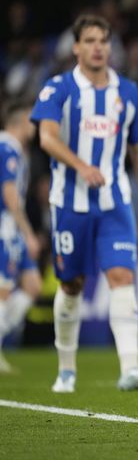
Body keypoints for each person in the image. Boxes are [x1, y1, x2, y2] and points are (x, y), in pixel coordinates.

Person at [31, 14, 138, 392]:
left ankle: (130, 369)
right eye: (89, 40)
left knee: (122, 278)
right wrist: (81, 166)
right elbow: (46, 138)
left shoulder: (129, 92)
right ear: (76, 47)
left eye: (103, 41)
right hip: (70, 203)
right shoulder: (57, 89)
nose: (97, 47)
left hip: (114, 202)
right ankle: (67, 370)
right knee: (71, 285)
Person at [0, 101, 42, 372]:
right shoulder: (7, 148)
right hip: (6, 227)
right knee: (3, 291)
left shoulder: (14, 150)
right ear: (21, 121)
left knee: (32, 285)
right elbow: (9, 194)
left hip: (12, 228)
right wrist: (28, 232)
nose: (34, 127)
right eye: (31, 120)